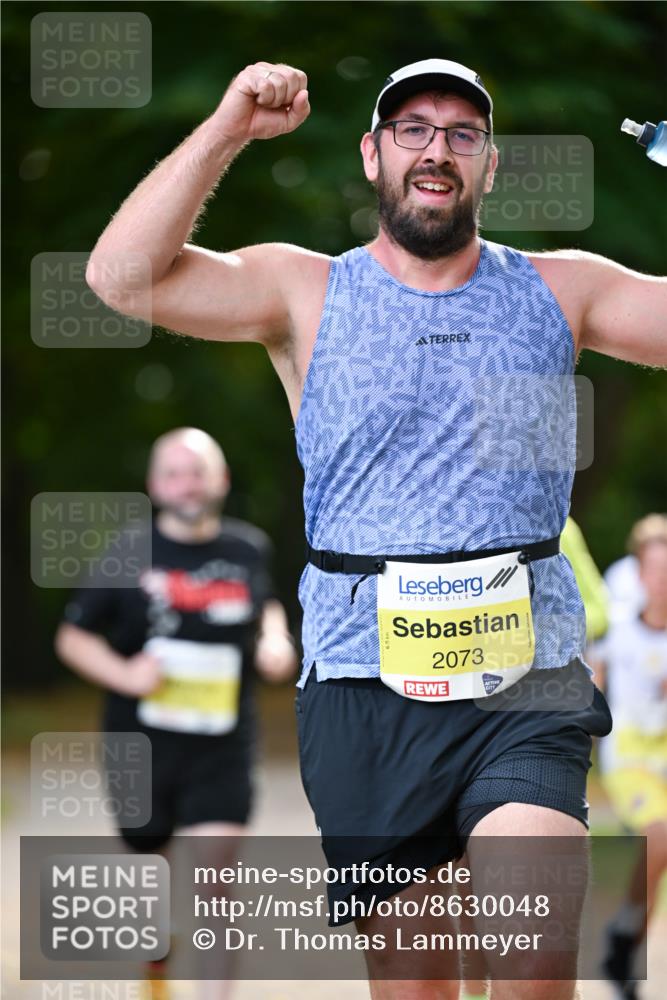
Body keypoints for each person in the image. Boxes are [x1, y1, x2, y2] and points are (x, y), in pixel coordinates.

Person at [84, 57, 666, 1000]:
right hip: (363, 681)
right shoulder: (303, 291)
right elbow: (119, 279)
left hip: (525, 679)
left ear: (490, 166)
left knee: (530, 948)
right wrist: (228, 125)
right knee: (416, 982)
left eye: (462, 134)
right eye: (413, 130)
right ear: (372, 155)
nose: (437, 151)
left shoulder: (561, 291)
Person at [55, 427, 297, 997]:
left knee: (216, 877)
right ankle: (157, 959)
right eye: (173, 473)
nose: (187, 484)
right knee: (149, 870)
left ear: (221, 479)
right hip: (140, 743)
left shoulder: (247, 548)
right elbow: (73, 637)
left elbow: (266, 603)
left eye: (198, 471)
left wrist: (275, 638)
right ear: (154, 485)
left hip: (222, 743)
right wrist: (125, 673)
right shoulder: (127, 552)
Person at [591, 515, 667, 1000]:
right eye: (656, 571)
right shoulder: (618, 629)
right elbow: (593, 685)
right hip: (631, 757)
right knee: (661, 835)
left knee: (657, 859)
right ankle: (624, 938)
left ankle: (625, 940)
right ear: (638, 576)